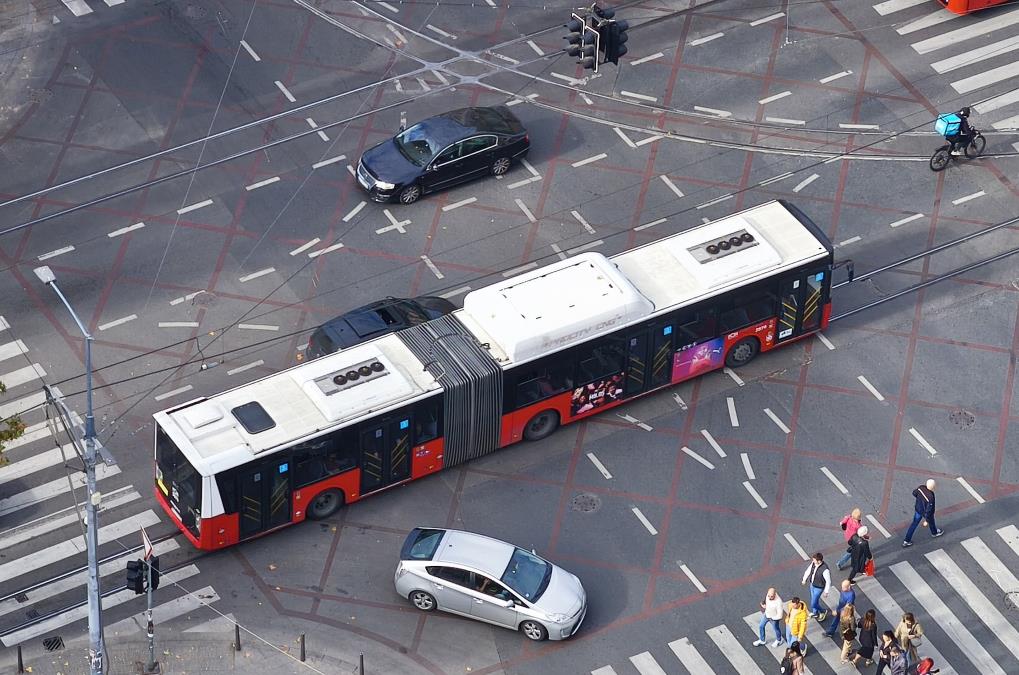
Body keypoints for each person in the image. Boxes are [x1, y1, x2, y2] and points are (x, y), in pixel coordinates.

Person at [903, 479, 944, 547]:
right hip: (926, 513)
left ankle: (906, 540)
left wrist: (920, 499)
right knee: (931, 522)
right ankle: (934, 533)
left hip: (918, 509)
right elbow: (929, 510)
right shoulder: (931, 496)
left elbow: (914, 493)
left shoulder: (921, 488)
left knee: (914, 524)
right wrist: (926, 520)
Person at [801, 552, 832, 620]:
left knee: (813, 603)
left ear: (819, 561)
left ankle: (823, 611)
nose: (813, 561)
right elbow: (808, 571)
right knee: (814, 600)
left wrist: (826, 591)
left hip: (819, 588)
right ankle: (815, 613)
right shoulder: (813, 564)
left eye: (814, 560)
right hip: (812, 585)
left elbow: (828, 581)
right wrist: (804, 579)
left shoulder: (825, 569)